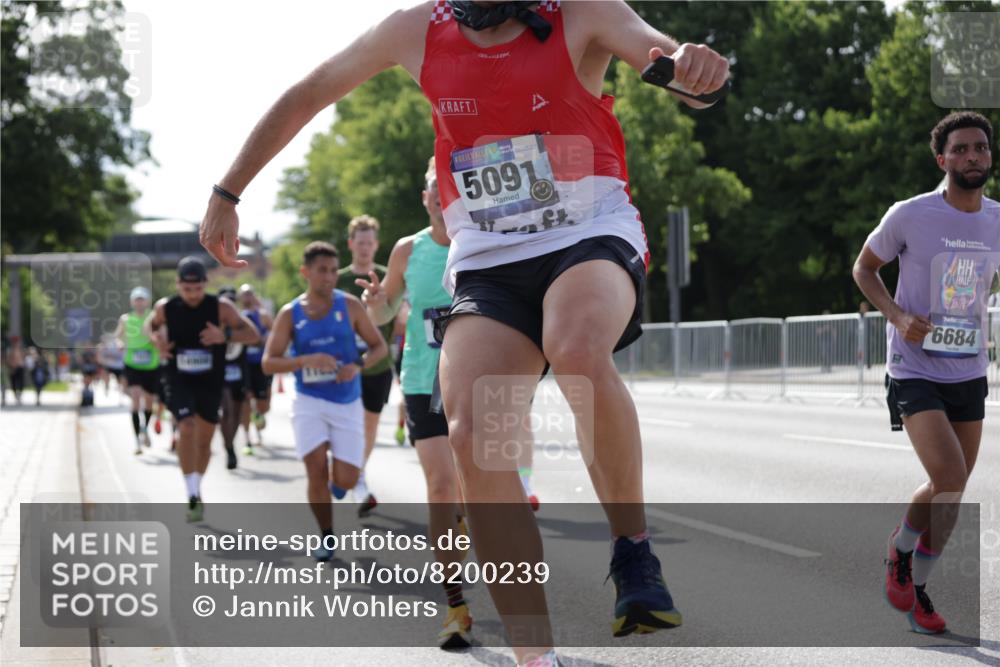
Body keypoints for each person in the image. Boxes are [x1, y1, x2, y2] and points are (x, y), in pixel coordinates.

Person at [199, 3, 727, 663]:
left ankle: (633, 549)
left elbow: (665, 60)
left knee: (575, 349)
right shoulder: (415, 29)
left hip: (587, 231)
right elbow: (311, 92)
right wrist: (227, 192)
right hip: (489, 256)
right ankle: (535, 655)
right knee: (473, 433)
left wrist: (694, 71)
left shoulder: (582, 9)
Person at [852, 111, 998, 635]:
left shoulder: (997, 219)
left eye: (980, 147)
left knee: (949, 492)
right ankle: (902, 551)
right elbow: (864, 268)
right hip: (914, 368)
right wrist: (897, 316)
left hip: (969, 369)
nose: (972, 156)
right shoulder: (910, 215)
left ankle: (917, 584)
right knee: (950, 476)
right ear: (942, 160)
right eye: (960, 149)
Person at [359, 161, 477, 649]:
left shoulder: (482, 237)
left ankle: (466, 522)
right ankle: (455, 607)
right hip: (424, 379)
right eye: (432, 189)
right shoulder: (408, 249)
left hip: (480, 381)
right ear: (425, 196)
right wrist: (375, 302)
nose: (439, 196)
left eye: (446, 187)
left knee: (475, 491)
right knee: (441, 487)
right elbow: (386, 309)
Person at [261, 242, 387, 562]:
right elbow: (269, 362)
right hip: (309, 401)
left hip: (347, 401)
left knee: (345, 479)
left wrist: (356, 366)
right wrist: (305, 360)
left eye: (333, 270)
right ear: (306, 272)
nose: (329, 277)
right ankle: (327, 537)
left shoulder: (350, 306)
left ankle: (339, 483)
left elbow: (379, 348)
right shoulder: (290, 313)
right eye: (322, 271)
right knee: (315, 469)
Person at [145, 257, 260, 521]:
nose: (193, 295)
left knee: (205, 440)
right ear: (178, 285)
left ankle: (197, 486)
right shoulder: (166, 307)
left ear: (205, 284)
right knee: (186, 426)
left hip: (210, 379)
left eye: (198, 289)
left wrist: (225, 336)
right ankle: (191, 493)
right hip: (178, 376)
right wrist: (156, 341)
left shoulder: (221, 307)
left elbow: (254, 335)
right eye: (187, 289)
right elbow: (150, 326)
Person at [337, 215, 397, 516]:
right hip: (342, 366)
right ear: (351, 244)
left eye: (370, 242)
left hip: (378, 364)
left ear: (376, 245)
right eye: (360, 242)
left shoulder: (388, 276)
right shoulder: (337, 278)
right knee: (345, 424)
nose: (365, 247)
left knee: (368, 425)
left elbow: (400, 313)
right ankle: (347, 472)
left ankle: (358, 475)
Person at [115, 287, 160, 454]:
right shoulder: (125, 319)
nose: (139, 302)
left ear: (147, 301)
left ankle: (145, 429)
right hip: (132, 364)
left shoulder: (154, 317)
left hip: (151, 364)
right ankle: (137, 442)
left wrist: (156, 341)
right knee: (135, 398)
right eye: (137, 299)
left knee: (149, 402)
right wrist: (120, 343)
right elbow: (118, 336)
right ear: (132, 302)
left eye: (142, 299)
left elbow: (161, 335)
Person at [238, 283, 273, 453]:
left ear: (253, 296)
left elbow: (276, 333)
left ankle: (257, 416)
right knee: (245, 400)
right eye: (244, 294)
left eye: (249, 293)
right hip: (244, 365)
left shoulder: (263, 315)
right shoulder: (237, 316)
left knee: (264, 404)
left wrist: (266, 339)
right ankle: (248, 438)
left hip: (261, 365)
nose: (247, 297)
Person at [218, 286, 248, 469]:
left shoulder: (243, 322)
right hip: (220, 373)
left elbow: (256, 338)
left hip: (239, 372)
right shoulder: (212, 322)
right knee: (226, 410)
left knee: (236, 413)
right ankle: (229, 449)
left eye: (232, 301)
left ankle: (230, 444)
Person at [6, 336, 25, 405]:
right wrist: (12, 366)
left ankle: (19, 395)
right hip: (13, 367)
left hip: (20, 367)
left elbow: (23, 358)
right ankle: (16, 395)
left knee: (21, 383)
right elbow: (8, 359)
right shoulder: (10, 350)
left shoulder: (21, 349)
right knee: (13, 383)